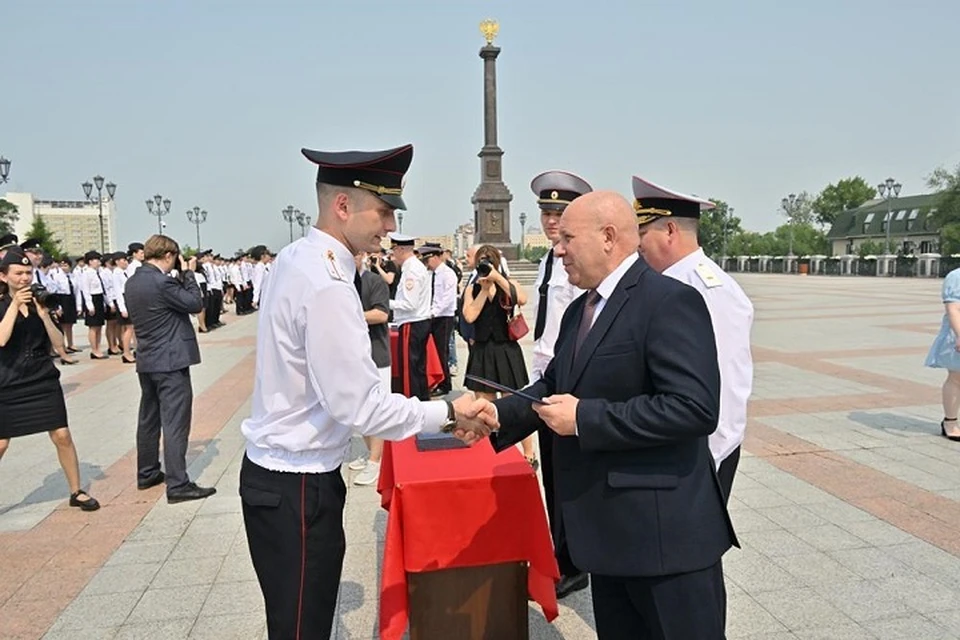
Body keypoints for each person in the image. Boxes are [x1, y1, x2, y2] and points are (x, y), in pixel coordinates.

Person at [239, 143, 494, 640]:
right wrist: (447, 410)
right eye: (382, 211)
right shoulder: (329, 283)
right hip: (299, 485)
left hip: (278, 478)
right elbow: (359, 405)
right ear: (343, 206)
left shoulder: (297, 258)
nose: (390, 227)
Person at [480, 191, 737, 639]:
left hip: (664, 541)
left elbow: (694, 408)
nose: (557, 250)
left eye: (568, 240)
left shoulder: (668, 300)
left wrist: (585, 419)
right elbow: (554, 385)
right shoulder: (582, 307)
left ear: (609, 238)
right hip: (609, 538)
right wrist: (498, 414)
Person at [633, 174, 754, 501]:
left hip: (701, 454)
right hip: (681, 450)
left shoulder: (705, 289)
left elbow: (726, 380)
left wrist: (707, 460)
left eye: (643, 233)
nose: (638, 244)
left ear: (670, 231)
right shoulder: (672, 283)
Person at [527, 169, 592, 599]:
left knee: (570, 479)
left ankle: (574, 561)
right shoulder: (549, 259)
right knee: (552, 475)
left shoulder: (578, 261)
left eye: (560, 212)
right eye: (546, 212)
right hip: (544, 378)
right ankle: (564, 553)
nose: (551, 220)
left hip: (569, 386)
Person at [0, 248, 100, 511]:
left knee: (62, 434)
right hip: (8, 382)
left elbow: (59, 346)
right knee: (0, 443)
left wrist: (44, 314)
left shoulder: (40, 302)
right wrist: (14, 304)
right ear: (3, 277)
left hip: (42, 378)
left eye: (28, 273)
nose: (24, 278)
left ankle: (76, 491)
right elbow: (1, 339)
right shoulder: (2, 305)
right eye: (18, 273)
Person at [124, 234, 216, 503]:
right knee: (175, 422)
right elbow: (195, 304)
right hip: (171, 360)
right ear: (168, 256)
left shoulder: (133, 282)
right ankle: (178, 484)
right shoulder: (161, 282)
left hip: (148, 359)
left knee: (149, 419)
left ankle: (148, 471)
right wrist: (188, 275)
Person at [461, 244, 533, 465]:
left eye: (489, 261)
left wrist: (498, 278)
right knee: (484, 407)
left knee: (514, 407)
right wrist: (484, 289)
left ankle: (529, 453)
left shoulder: (508, 285)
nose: (485, 266)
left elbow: (521, 299)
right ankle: (490, 454)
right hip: (482, 351)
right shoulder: (472, 289)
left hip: (506, 350)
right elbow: (470, 316)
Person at [347, 252, 392, 486]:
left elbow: (381, 314)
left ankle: (376, 461)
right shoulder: (342, 282)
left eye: (353, 255)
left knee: (376, 409)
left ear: (363, 257)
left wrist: (350, 316)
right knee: (359, 409)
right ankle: (371, 453)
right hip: (353, 355)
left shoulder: (374, 281)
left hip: (376, 354)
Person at [388, 233, 432, 400]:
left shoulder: (411, 270)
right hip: (417, 322)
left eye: (394, 251)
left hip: (411, 323)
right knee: (417, 369)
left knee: (409, 370)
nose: (393, 255)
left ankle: (412, 402)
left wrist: (387, 303)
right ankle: (421, 401)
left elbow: (409, 304)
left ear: (400, 249)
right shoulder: (414, 267)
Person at [924, 266, 960, 441]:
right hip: (958, 331)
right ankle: (950, 422)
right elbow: (953, 309)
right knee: (957, 377)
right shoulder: (956, 277)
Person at [420, 243, 457, 396]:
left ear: (435, 257)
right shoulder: (430, 274)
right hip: (431, 315)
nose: (426, 264)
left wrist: (433, 313)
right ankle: (435, 381)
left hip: (443, 317)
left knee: (442, 351)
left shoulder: (448, 274)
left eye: (427, 260)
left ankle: (445, 384)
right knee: (432, 351)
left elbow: (447, 299)